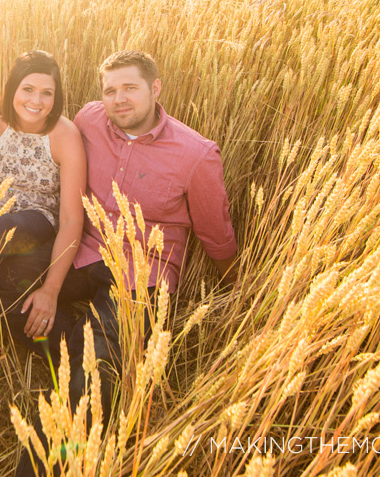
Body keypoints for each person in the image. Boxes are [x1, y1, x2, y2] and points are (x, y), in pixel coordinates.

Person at [15, 50, 237, 476]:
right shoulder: (89, 120)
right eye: (110, 90)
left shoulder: (196, 154)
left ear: (155, 89)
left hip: (143, 271)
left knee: (94, 376)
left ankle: (44, 465)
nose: (118, 100)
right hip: (84, 249)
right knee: (6, 283)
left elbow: (216, 235)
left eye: (130, 88)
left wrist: (237, 286)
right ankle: (87, 345)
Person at [0, 50, 87, 352]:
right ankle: (80, 353)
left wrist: (51, 289)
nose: (36, 101)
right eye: (28, 89)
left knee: (6, 225)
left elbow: (72, 218)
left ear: (56, 98)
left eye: (47, 93)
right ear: (13, 89)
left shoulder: (64, 135)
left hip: (35, 221)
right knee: (3, 294)